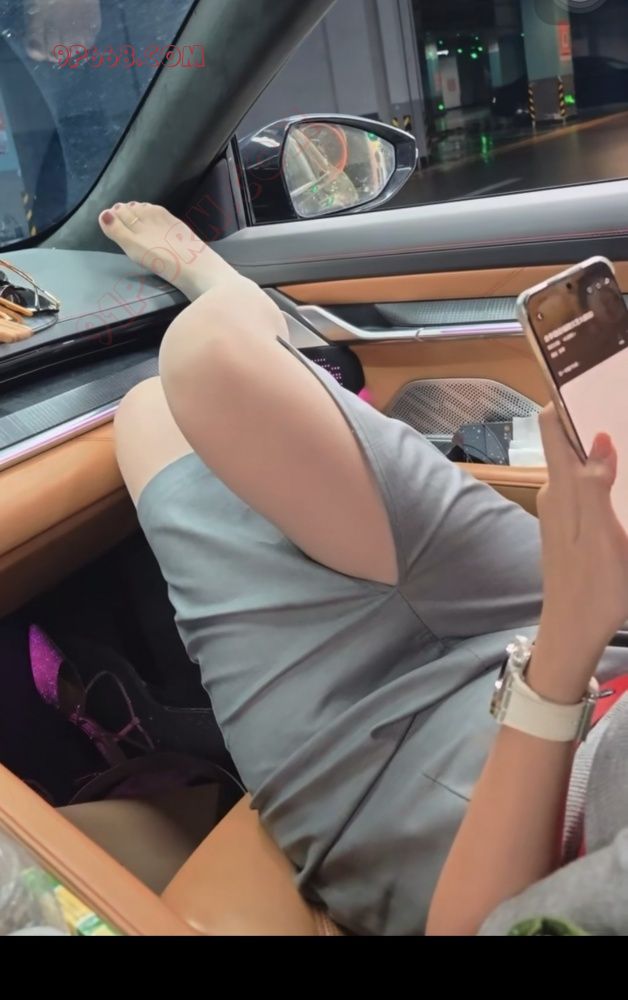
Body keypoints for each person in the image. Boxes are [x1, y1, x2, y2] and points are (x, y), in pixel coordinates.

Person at [98, 201, 628, 936]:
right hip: (580, 633)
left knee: (149, 409)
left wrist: (566, 639)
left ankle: (243, 307)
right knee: (207, 359)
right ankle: (242, 311)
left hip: (418, 792)